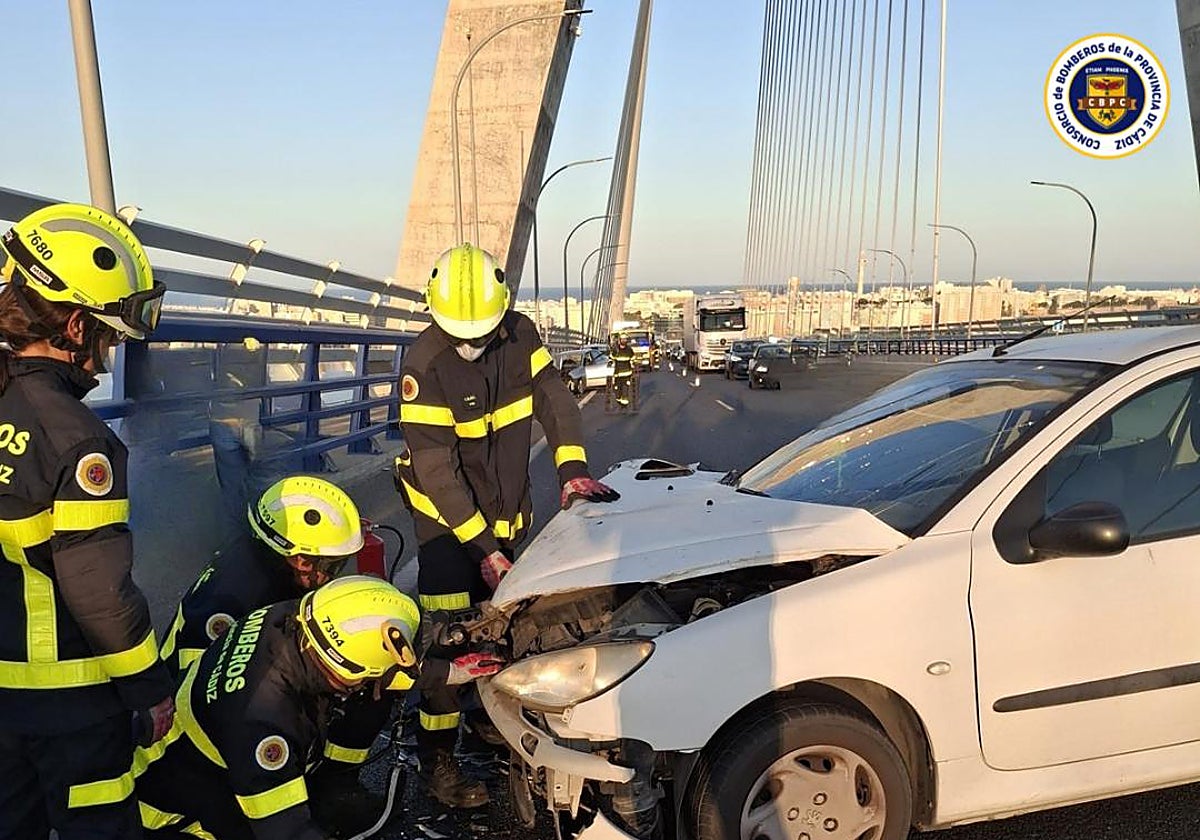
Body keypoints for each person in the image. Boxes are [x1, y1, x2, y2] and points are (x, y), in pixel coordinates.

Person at [394, 243, 620, 808]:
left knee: (506, 625)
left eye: (480, 332)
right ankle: (438, 761)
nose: (469, 344)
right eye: (458, 334)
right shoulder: (424, 364)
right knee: (450, 640)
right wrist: (484, 551)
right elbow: (439, 472)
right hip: (447, 527)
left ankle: (490, 717)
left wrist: (572, 472)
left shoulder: (520, 335)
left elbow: (555, 401)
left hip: (507, 510)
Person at [0, 203, 175, 838]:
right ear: (75, 326)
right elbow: (98, 593)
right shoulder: (79, 440)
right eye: (108, 336)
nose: (105, 361)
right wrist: (148, 691)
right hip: (69, 707)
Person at [136, 575, 503, 839]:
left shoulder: (294, 618)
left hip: (213, 766)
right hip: (174, 816)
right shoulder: (265, 723)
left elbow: (373, 656)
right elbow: (285, 829)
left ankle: (331, 790)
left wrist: (450, 671)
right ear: (344, 670)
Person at [158, 474, 391, 834]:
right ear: (299, 560)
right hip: (200, 750)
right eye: (332, 566)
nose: (333, 576)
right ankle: (314, 791)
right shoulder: (235, 596)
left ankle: (331, 785)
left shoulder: (263, 564)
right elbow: (215, 692)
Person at [609, 332, 636, 407]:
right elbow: (611, 358)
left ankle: (624, 404)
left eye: (625, 339)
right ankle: (619, 399)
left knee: (625, 389)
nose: (624, 341)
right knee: (617, 389)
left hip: (627, 373)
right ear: (619, 340)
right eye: (622, 339)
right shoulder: (616, 350)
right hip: (617, 374)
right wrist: (610, 363)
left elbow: (633, 358)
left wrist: (633, 363)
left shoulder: (629, 350)